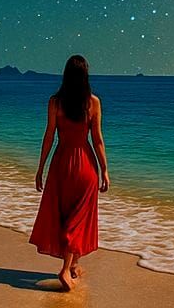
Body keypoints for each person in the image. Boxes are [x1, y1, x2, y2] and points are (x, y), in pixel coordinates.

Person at [30, 54, 109, 290]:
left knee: (66, 217)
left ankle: (73, 266)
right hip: (85, 166)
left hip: (61, 164)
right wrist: (104, 169)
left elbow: (49, 136)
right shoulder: (93, 102)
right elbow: (97, 141)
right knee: (79, 220)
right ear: (86, 76)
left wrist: (40, 168)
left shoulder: (55, 101)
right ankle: (65, 270)